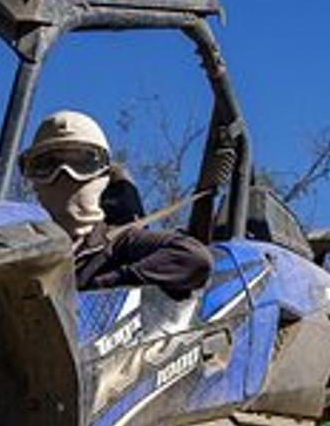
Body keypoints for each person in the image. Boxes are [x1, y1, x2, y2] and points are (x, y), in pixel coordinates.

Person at [18, 110, 212, 299]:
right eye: (46, 165)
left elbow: (194, 258)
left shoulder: (120, 243)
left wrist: (104, 288)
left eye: (81, 163)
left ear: (102, 175)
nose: (63, 174)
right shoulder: (25, 251)